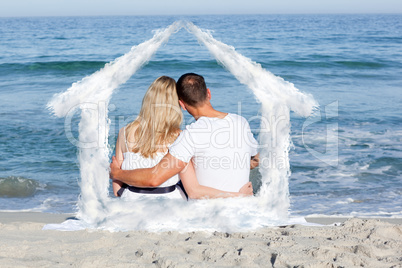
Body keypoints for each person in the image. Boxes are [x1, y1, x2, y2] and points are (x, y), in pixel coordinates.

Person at [110, 73, 259, 199]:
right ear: (209, 93)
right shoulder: (241, 122)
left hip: (131, 202)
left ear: (182, 104)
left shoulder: (188, 136)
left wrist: (117, 173)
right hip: (237, 205)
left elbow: (149, 180)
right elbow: (256, 159)